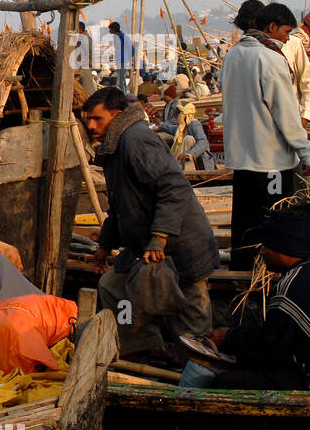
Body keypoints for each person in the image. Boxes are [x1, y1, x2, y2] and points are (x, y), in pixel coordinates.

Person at [84, 87, 219, 361]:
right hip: (146, 248)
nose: (90, 125)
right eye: (88, 119)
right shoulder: (115, 147)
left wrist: (160, 235)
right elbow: (120, 206)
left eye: (96, 119)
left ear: (116, 115)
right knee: (112, 285)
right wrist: (104, 247)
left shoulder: (135, 141)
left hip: (182, 245)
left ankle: (196, 374)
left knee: (190, 314)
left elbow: (175, 189)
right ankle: (145, 347)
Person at [221, 0, 310, 270]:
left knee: (244, 223)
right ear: (272, 27)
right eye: (286, 32)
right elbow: (286, 115)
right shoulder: (271, 58)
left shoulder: (233, 55)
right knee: (272, 222)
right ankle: (266, 279)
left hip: (242, 159)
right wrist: (306, 154)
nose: (287, 39)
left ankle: (241, 272)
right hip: (271, 162)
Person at [211, 209, 310, 393]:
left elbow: (270, 349)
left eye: (268, 246)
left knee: (224, 383)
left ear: (287, 248)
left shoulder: (292, 287)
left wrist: (229, 338)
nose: (262, 252)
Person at [280, 8, 310, 128]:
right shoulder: (298, 35)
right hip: (298, 69)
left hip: (306, 67)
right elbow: (304, 51)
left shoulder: (309, 36)